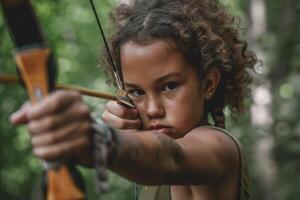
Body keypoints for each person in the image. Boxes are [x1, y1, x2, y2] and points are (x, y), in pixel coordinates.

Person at [10, 0, 257, 199]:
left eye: (169, 86)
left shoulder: (219, 149)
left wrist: (97, 140)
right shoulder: (144, 148)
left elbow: (172, 157)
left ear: (208, 83)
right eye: (137, 92)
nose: (152, 109)